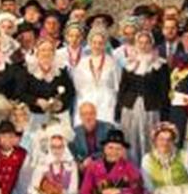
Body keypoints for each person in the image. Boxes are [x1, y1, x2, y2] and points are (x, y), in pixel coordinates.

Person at [18, 123, 82, 194]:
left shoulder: (71, 165)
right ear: (49, 146)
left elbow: (73, 190)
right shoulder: (43, 164)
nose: (57, 151)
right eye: (53, 147)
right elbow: (31, 189)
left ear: (64, 146)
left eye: (60, 147)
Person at [117, 30, 170, 164]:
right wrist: (118, 108)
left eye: (146, 43)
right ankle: (131, 167)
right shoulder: (129, 63)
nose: (143, 45)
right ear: (136, 44)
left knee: (148, 138)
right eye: (140, 42)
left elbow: (164, 90)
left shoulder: (160, 64)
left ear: (152, 44)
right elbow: (123, 88)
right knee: (131, 138)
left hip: (151, 108)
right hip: (130, 108)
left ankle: (149, 167)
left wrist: (165, 112)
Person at [18, 38, 76, 129]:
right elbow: (20, 93)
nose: (46, 53)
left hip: (58, 116)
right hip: (34, 116)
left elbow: (70, 91)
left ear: (54, 54)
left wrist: (61, 103)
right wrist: (36, 101)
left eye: (50, 50)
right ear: (37, 53)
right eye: (43, 50)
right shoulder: (29, 71)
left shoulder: (60, 71)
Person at [71, 28, 121, 127]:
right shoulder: (82, 63)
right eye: (94, 42)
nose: (97, 46)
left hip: (107, 103)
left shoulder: (112, 63)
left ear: (105, 44)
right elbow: (77, 85)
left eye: (100, 43)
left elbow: (117, 85)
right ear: (89, 43)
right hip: (86, 100)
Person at [70, 101, 113, 172]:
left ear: (96, 114)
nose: (88, 117)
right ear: (80, 116)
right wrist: (79, 165)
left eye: (91, 113)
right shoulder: (74, 132)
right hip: (85, 170)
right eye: (84, 114)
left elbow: (112, 150)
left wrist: (92, 158)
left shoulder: (108, 128)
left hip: (105, 167)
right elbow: (72, 154)